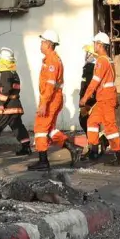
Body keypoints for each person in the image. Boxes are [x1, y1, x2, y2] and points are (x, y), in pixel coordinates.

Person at [32, 30, 81, 169]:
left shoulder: (52, 61)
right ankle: (73, 148)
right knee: (50, 129)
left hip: (51, 99)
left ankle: (43, 161)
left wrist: (44, 104)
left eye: (42, 42)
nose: (40, 45)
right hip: (53, 98)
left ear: (48, 44)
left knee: (40, 128)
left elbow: (50, 85)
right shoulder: (51, 59)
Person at [81, 32, 120, 163]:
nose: (94, 45)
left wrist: (85, 97)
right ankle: (94, 150)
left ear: (99, 44)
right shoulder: (108, 60)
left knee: (110, 127)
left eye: (95, 43)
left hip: (105, 99)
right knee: (92, 121)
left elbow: (95, 81)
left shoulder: (101, 60)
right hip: (104, 98)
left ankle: (118, 156)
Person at [0, 46, 30, 154]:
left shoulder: (6, 73)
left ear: (3, 60)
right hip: (16, 105)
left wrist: (1, 104)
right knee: (17, 127)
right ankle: (26, 147)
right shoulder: (14, 73)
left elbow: (6, 89)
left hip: (8, 107)